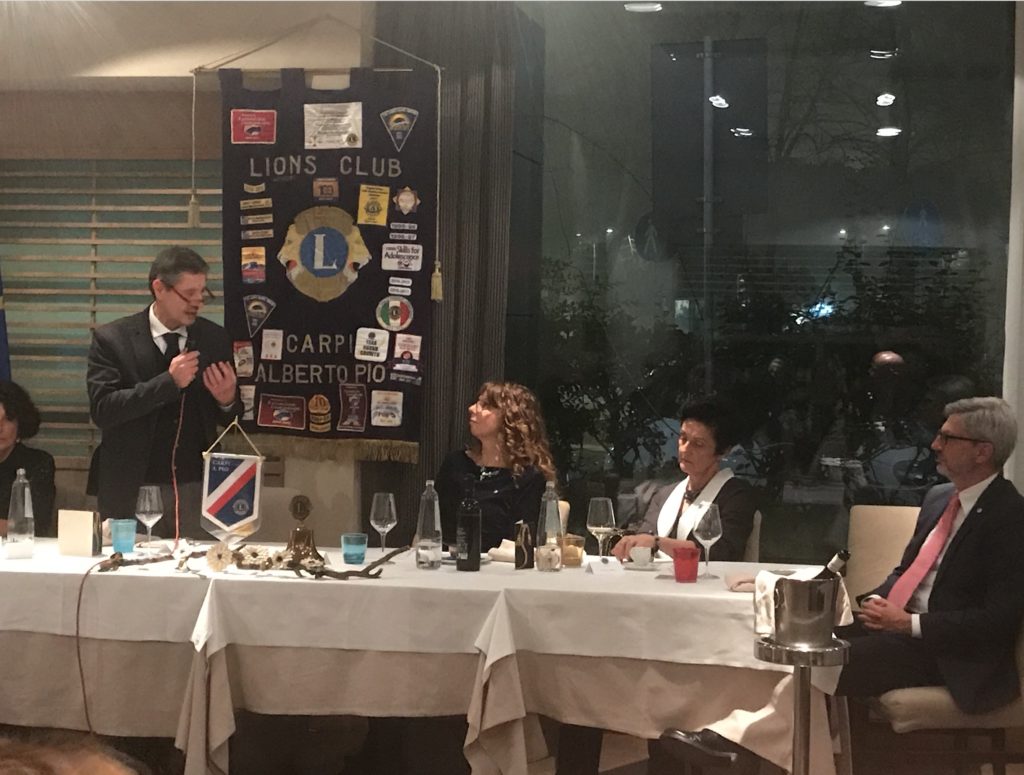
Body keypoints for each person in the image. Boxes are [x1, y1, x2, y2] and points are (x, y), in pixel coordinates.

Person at [664, 396, 1024, 773]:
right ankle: (746, 746)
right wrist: (870, 605)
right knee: (790, 636)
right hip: (896, 630)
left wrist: (910, 623)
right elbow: (906, 571)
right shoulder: (940, 499)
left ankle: (733, 743)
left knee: (820, 659)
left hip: (948, 652)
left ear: (983, 451)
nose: (935, 444)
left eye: (948, 438)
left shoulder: (1010, 516)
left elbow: (997, 620)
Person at [86, 246, 240, 539]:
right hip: (131, 486)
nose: (197, 302)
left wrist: (227, 400)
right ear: (159, 288)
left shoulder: (214, 338)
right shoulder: (113, 339)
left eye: (202, 293)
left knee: (201, 564)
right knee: (130, 566)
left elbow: (232, 418)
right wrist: (168, 383)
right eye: (188, 293)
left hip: (196, 486)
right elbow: (103, 410)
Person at [613, 398, 757, 564]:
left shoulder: (736, 496)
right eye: (683, 438)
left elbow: (720, 552)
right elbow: (645, 537)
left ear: (723, 451)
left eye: (698, 444)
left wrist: (658, 543)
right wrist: (631, 544)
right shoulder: (665, 494)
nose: (685, 449)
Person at [435, 381, 557, 551]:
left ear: (510, 418)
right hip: (446, 563)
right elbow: (430, 528)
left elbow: (525, 546)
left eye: (485, 405)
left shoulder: (528, 478)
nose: (472, 408)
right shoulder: (455, 464)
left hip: (501, 566)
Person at [0, 382, 55, 537]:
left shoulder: (38, 462)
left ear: (20, 424)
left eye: (8, 419)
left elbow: (37, 524)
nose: (0, 427)